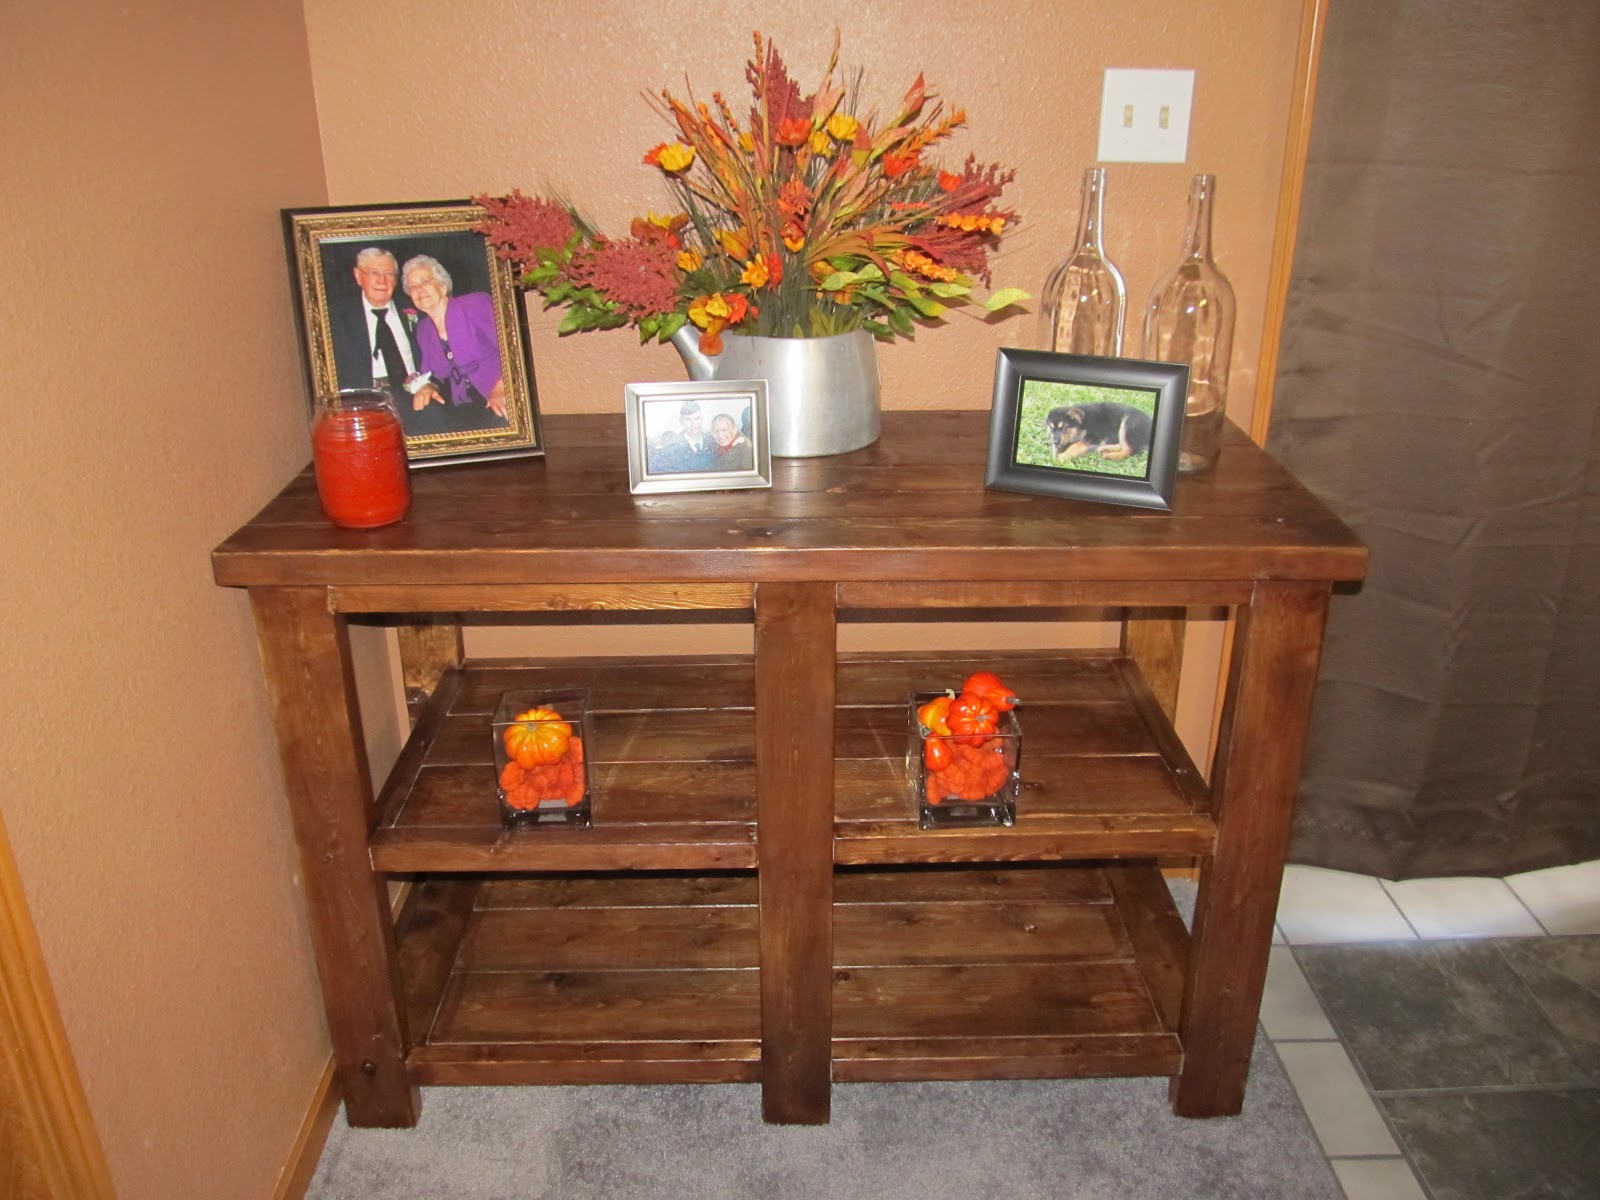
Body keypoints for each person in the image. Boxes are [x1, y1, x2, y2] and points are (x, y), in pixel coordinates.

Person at [401, 254, 510, 435]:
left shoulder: (476, 304)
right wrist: (427, 387)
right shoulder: (423, 329)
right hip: (461, 405)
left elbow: (511, 348)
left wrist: (501, 388)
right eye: (413, 286)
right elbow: (433, 376)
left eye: (425, 282)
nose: (419, 289)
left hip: (497, 393)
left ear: (443, 286)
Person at [329, 247, 434, 418]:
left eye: (389, 274)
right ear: (358, 276)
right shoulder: (337, 318)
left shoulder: (416, 310)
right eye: (374, 273)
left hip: (415, 398)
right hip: (365, 404)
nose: (382, 281)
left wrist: (430, 386)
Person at [649, 400, 716, 473]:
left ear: (702, 418)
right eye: (688, 419)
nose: (694, 424)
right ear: (681, 421)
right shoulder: (670, 450)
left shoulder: (713, 443)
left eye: (697, 418)